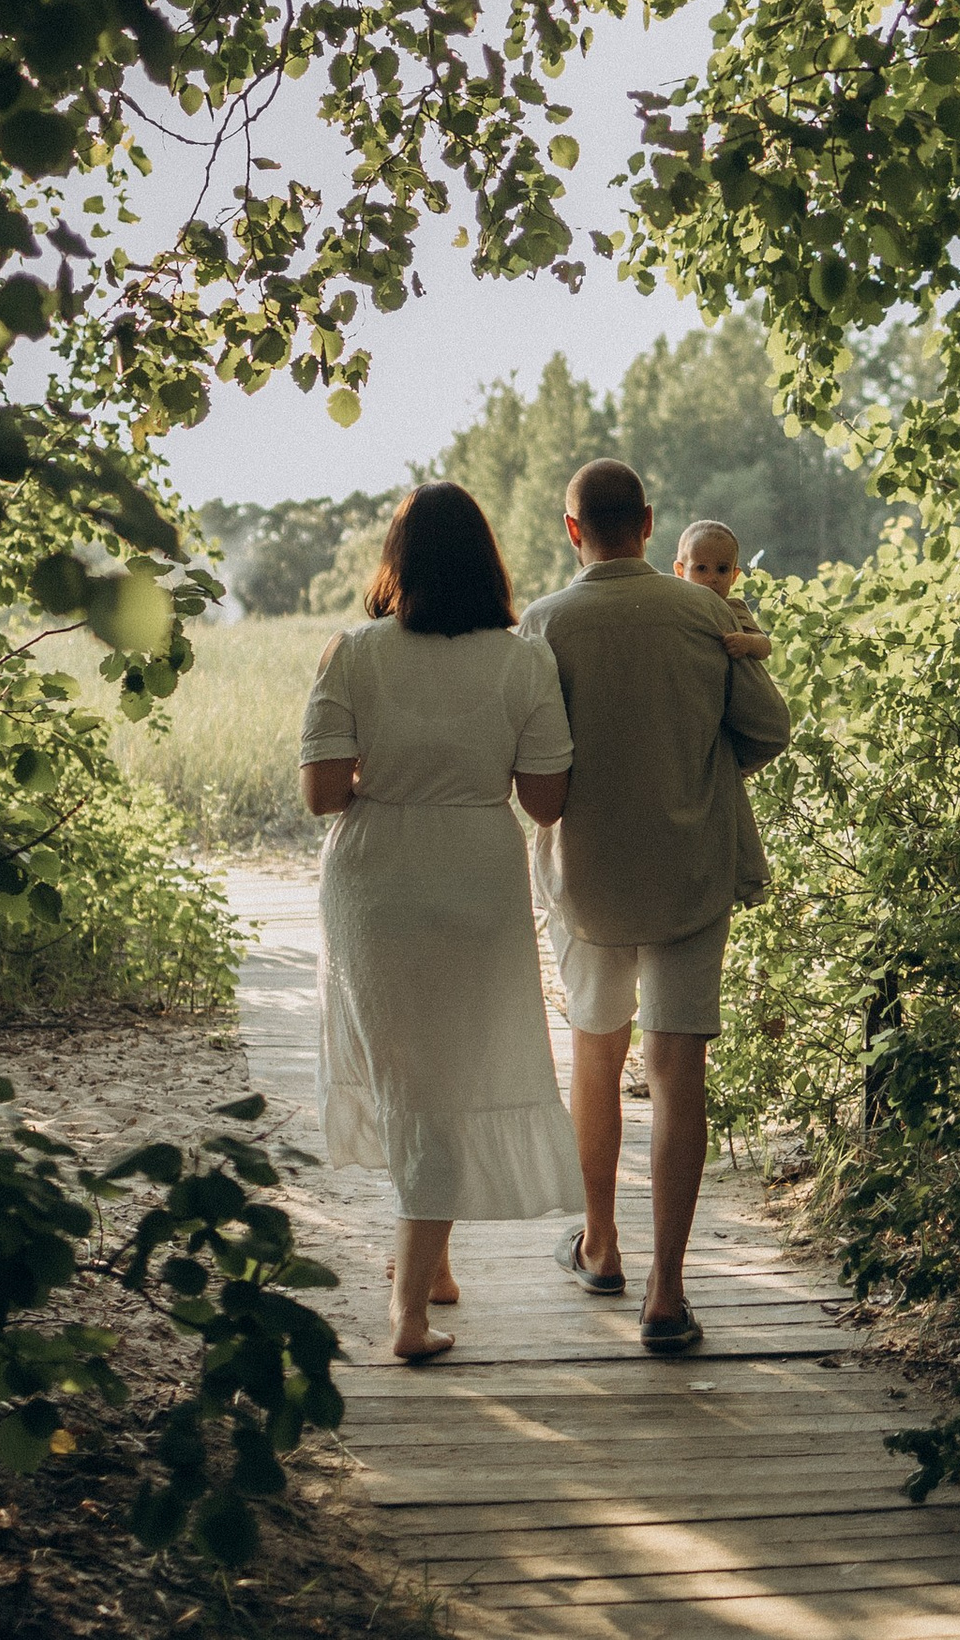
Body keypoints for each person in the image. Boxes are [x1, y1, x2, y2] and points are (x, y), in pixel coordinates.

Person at [297, 481, 582, 1363]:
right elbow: (546, 801)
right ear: (486, 563)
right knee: (449, 1068)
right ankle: (419, 1300)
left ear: (398, 561)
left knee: (406, 1070)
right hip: (475, 870)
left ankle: (420, 1290)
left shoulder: (352, 652)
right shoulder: (524, 659)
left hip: (374, 874)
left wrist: (388, 784)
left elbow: (319, 795)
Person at [520, 460, 793, 1354]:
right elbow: (767, 729)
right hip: (689, 871)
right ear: (647, 522)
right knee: (680, 1075)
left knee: (596, 1057)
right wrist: (699, 777)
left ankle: (600, 1247)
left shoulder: (545, 625)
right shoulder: (710, 614)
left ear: (572, 532)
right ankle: (667, 1298)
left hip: (587, 880)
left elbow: (532, 769)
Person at [671, 518, 773, 660]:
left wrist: (748, 643)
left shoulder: (734, 608)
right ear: (680, 571)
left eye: (722, 569)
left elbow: (765, 646)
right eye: (701, 568)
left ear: (734, 576)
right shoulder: (676, 606)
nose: (712, 578)